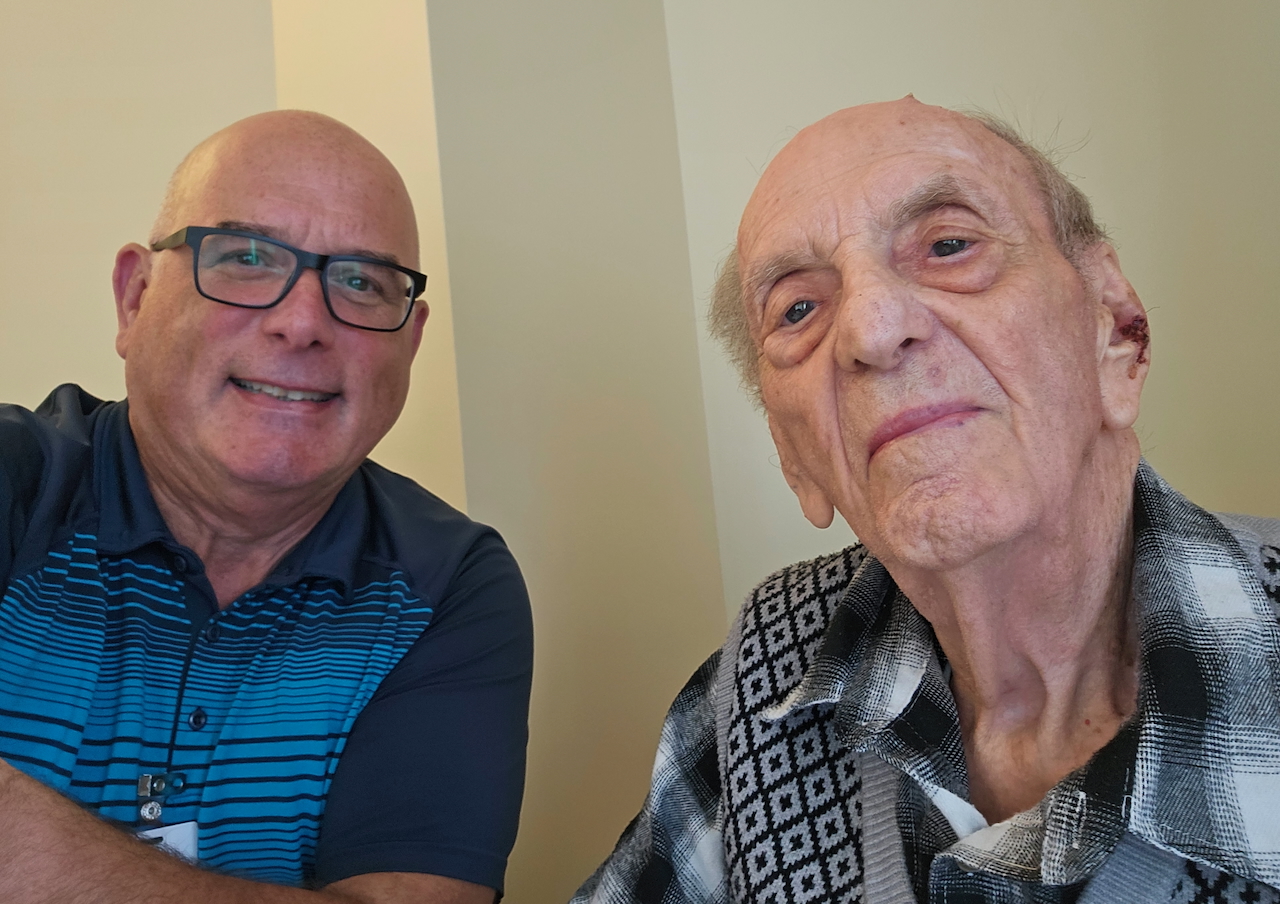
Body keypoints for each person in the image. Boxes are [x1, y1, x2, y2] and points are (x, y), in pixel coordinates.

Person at [574, 97, 1280, 903]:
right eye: (798, 309)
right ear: (794, 457)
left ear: (1118, 330)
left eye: (949, 246)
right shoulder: (766, 674)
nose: (871, 330)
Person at [0, 111, 532, 903]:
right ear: (134, 298)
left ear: (411, 343)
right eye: (246, 258)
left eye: (361, 281)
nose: (303, 323)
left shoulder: (448, 584)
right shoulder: (16, 481)